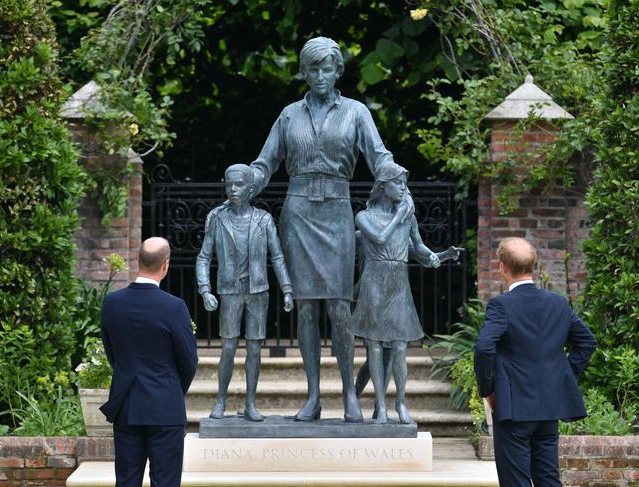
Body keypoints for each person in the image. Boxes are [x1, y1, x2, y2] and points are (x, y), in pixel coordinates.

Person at [236, 36, 415, 423]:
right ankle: (313, 396)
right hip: (298, 214)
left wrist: (401, 186)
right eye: (312, 68)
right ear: (304, 71)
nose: (319, 75)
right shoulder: (289, 115)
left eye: (326, 68)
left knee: (339, 306)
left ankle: (350, 393)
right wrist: (243, 183)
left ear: (338, 71)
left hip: (336, 213)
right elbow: (265, 163)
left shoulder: (355, 112)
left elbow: (379, 157)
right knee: (305, 309)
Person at [474, 237, 597, 487]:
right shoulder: (558, 303)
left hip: (513, 410)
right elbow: (586, 342)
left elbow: (484, 347)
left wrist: (488, 391)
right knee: (548, 479)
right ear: (534, 265)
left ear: (502, 267)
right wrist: (563, 376)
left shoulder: (501, 305)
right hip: (548, 407)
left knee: (515, 482)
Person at [350, 163, 462, 424]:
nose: (402, 188)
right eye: (397, 183)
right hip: (374, 282)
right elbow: (378, 238)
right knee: (375, 346)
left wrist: (443, 255)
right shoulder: (364, 217)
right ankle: (380, 407)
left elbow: (420, 250)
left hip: (398, 282)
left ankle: (400, 402)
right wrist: (400, 215)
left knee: (400, 346)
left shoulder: (407, 218)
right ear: (382, 186)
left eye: (404, 183)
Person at [196, 164, 294, 421]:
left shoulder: (263, 220)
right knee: (228, 347)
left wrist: (286, 288)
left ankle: (251, 403)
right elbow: (204, 257)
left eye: (239, 185)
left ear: (251, 189)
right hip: (230, 291)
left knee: (254, 348)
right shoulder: (217, 219)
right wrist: (205, 290)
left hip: (258, 291)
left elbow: (278, 257)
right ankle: (221, 400)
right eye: (229, 185)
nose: (233, 189)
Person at [100, 237, 198, 487]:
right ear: (165, 265)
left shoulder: (112, 303)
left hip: (127, 404)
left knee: (127, 482)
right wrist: (171, 388)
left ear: (138, 261)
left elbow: (112, 353)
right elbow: (188, 361)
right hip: (165, 407)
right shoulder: (174, 307)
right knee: (165, 482)